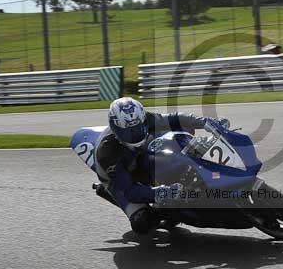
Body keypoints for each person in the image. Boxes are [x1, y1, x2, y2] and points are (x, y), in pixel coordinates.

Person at [93, 97, 227, 234]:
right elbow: (130, 191)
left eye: (138, 128)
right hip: (118, 178)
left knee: (183, 131)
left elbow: (174, 119)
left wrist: (205, 122)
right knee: (143, 223)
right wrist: (162, 192)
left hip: (140, 154)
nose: (134, 135)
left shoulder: (146, 119)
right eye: (128, 132)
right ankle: (159, 210)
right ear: (116, 129)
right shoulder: (107, 153)